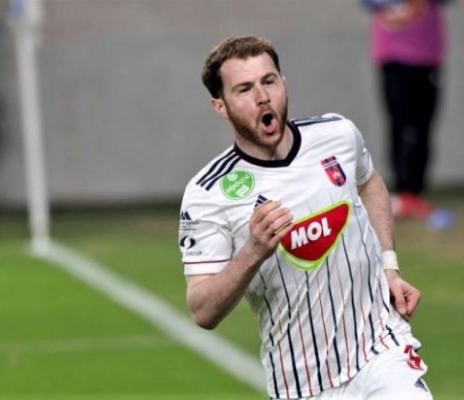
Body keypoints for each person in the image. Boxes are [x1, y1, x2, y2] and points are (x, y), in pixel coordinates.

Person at [178, 36, 432, 399]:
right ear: (221, 106)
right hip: (301, 384)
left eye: (269, 81)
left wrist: (389, 265)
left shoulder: (337, 135)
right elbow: (202, 310)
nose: (262, 97)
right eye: (244, 89)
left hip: (381, 351)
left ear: (284, 84)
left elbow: (370, 183)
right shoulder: (208, 193)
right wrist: (253, 252)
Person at [364, 0, 447, 219]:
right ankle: (402, 193)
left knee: (423, 127)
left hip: (427, 55)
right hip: (393, 55)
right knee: (398, 125)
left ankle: (417, 194)